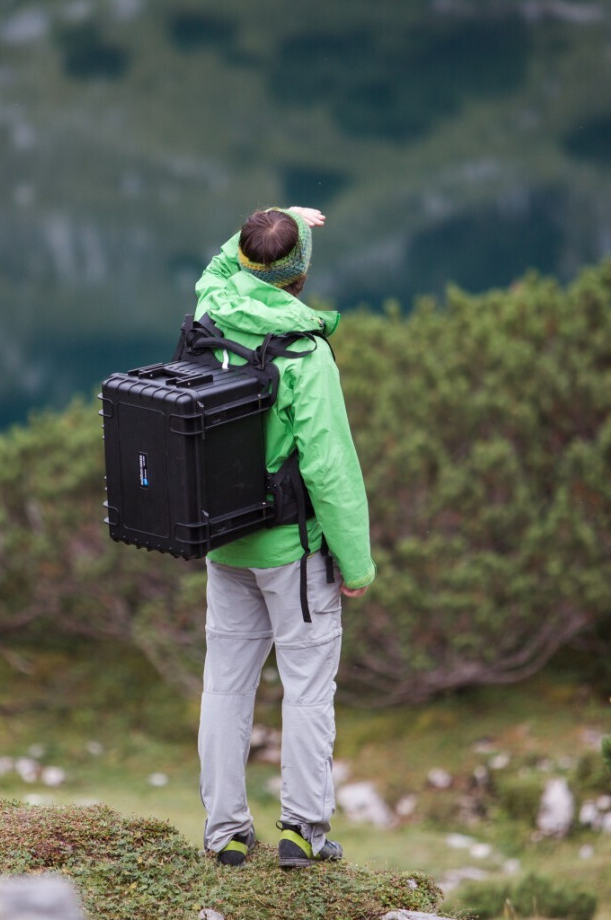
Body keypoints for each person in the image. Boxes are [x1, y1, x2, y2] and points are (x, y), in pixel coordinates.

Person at [193, 206, 376, 869]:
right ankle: (302, 829)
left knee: (225, 685)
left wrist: (280, 221)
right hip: (291, 552)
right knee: (305, 687)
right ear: (301, 275)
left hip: (222, 536)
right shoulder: (305, 352)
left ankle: (224, 832)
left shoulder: (212, 307)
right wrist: (355, 562)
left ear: (243, 264)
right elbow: (330, 468)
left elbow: (223, 265)